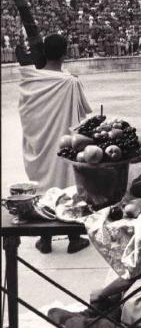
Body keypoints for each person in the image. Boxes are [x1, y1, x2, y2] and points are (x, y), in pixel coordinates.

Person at [18, 34, 91, 254]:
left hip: (41, 142)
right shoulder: (70, 82)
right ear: (65, 53)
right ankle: (73, 238)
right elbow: (83, 114)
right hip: (64, 143)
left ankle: (45, 239)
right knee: (68, 184)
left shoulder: (29, 81)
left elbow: (26, 115)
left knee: (44, 185)